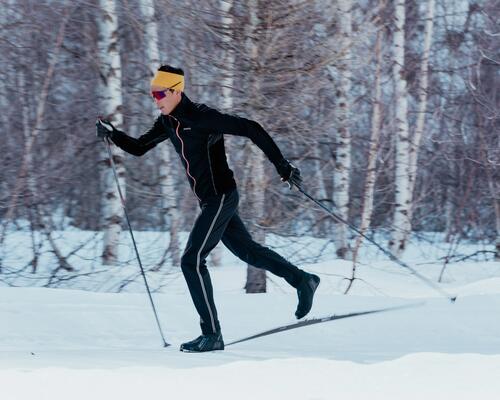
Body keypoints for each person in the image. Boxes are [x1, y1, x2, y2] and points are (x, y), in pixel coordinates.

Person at [96, 65, 320, 352]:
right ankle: (303, 280)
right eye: (152, 94)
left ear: (176, 90)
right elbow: (140, 147)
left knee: (192, 259)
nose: (155, 99)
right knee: (247, 251)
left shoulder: (202, 117)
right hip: (211, 201)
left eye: (160, 93)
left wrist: (282, 166)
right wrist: (112, 134)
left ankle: (212, 333)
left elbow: (252, 128)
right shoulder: (168, 122)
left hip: (221, 196)